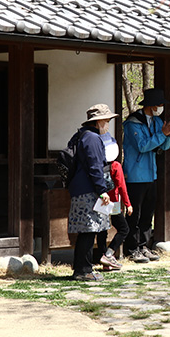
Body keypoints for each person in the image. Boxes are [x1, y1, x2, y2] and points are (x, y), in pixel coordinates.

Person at [122, 88, 170, 263]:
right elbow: (143, 146)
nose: (161, 108)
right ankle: (131, 249)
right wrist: (163, 133)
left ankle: (143, 246)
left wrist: (169, 134)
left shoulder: (155, 121)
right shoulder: (132, 123)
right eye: (160, 104)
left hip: (151, 174)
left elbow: (164, 146)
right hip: (135, 176)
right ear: (152, 105)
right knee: (135, 215)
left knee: (147, 214)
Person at [68, 104, 118, 281]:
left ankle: (82, 269)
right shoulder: (93, 139)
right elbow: (95, 167)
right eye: (106, 120)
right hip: (89, 191)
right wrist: (102, 191)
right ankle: (84, 271)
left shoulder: (81, 135)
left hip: (80, 189)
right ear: (98, 122)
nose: (108, 124)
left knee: (86, 231)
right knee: (89, 231)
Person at [96, 132, 133, 271]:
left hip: (100, 201)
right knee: (124, 229)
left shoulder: (98, 164)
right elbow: (122, 187)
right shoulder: (116, 166)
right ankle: (109, 254)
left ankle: (103, 257)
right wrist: (128, 204)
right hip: (114, 203)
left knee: (102, 231)